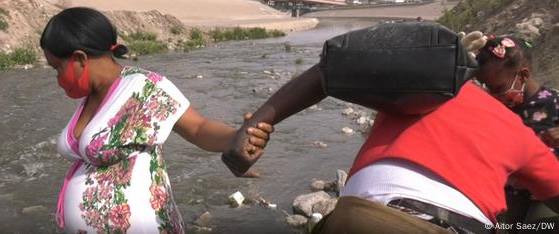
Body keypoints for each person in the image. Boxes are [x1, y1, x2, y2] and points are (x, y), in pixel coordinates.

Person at [222, 29, 559, 234]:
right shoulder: (518, 132)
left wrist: (256, 123)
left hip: (359, 218)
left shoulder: (422, 89)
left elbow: (332, 68)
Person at [41, 7, 274, 233]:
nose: (57, 77)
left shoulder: (145, 87)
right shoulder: (91, 97)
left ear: (80, 58)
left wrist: (237, 137)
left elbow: (197, 128)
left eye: (57, 68)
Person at [475, 35, 559, 231]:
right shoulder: (495, 108)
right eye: (487, 88)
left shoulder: (554, 103)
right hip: (506, 198)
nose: (493, 95)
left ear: (523, 75)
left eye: (498, 88)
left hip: (545, 200)